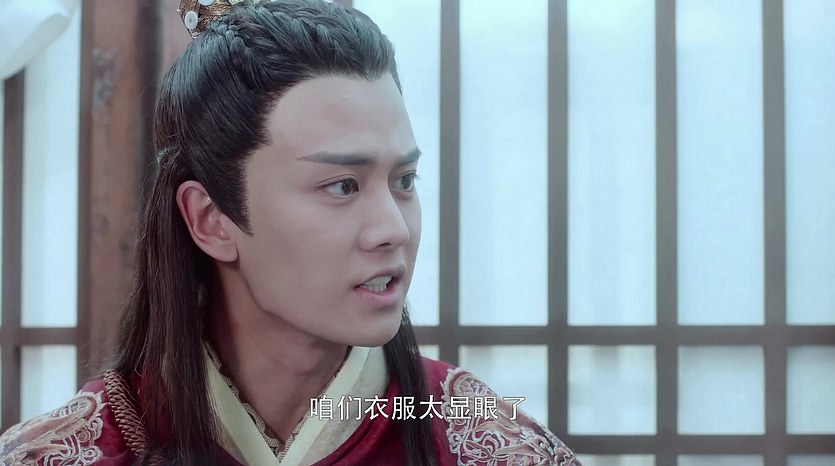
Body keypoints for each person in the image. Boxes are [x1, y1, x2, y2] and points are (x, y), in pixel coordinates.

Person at [0, 1, 581, 464]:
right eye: (342, 186)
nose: (393, 230)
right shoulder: (71, 452)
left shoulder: (493, 448)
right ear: (210, 219)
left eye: (404, 180)